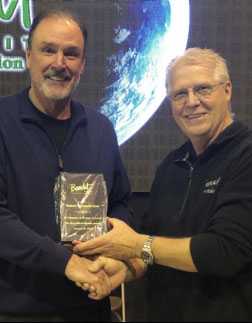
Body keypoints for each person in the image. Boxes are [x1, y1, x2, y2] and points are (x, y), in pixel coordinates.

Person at [72, 48, 252, 321]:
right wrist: (122, 270)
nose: (191, 102)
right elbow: (150, 250)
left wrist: (136, 246)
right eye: (180, 94)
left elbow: (225, 252)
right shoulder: (171, 165)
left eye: (202, 89)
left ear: (227, 91)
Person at [0, 9, 132, 321]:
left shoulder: (100, 129)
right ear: (28, 55)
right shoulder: (2, 121)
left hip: (91, 307)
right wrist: (65, 262)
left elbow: (122, 203)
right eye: (48, 50)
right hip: (18, 312)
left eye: (71, 54)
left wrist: (115, 253)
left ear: (82, 65)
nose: (59, 63)